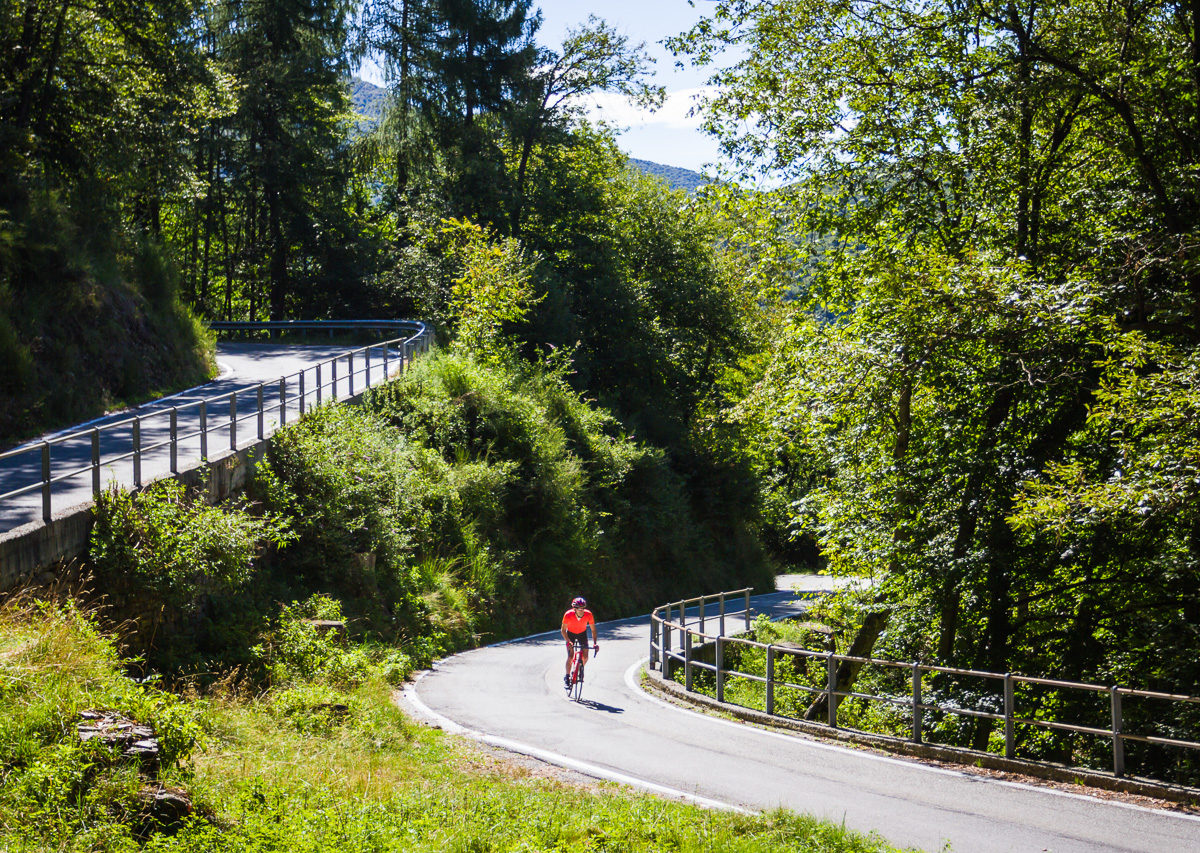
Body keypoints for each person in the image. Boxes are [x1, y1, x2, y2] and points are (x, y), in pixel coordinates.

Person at [561, 596, 597, 690]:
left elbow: (593, 630)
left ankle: (580, 669)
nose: (581, 610)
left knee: (585, 656)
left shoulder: (588, 614)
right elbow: (563, 630)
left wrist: (595, 643)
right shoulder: (568, 614)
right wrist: (568, 641)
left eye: (582, 608)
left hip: (582, 634)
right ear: (574, 609)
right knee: (570, 656)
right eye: (579, 608)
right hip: (571, 635)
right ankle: (567, 677)